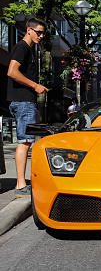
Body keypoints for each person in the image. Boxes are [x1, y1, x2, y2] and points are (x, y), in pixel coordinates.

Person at [7, 17, 49, 197]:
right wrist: (35, 86)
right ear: (29, 30)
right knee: (24, 142)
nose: (40, 36)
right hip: (23, 101)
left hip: (25, 101)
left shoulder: (29, 50)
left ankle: (22, 182)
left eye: (42, 33)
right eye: (38, 32)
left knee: (27, 141)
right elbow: (11, 71)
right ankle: (20, 185)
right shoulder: (22, 48)